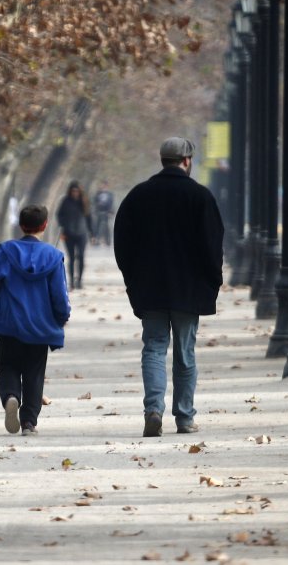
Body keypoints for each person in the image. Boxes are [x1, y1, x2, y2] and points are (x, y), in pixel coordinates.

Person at [113, 137, 224, 438]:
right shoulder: (200, 197)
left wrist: (132, 279)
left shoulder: (138, 196)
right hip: (189, 291)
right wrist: (212, 281)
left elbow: (122, 244)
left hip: (149, 288)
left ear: (163, 160)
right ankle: (185, 417)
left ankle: (153, 410)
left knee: (153, 348)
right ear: (187, 161)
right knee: (185, 353)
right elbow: (213, 246)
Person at [0, 205, 71, 436]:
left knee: (7, 365)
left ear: (21, 225)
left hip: (9, 323)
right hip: (41, 325)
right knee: (34, 372)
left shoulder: (5, 251)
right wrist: (62, 317)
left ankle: (11, 396)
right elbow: (60, 296)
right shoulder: (54, 257)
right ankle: (28, 423)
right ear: (44, 225)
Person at [56, 181, 92, 289]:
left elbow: (89, 217)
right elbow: (59, 214)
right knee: (71, 257)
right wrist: (63, 224)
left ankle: (79, 281)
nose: (75, 193)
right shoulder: (65, 201)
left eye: (77, 191)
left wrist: (92, 232)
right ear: (70, 191)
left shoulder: (84, 202)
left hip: (82, 233)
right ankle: (71, 281)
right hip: (68, 233)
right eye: (73, 191)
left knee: (81, 256)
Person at [92, 181, 115, 246]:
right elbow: (95, 202)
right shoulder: (98, 194)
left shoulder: (110, 194)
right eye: (102, 185)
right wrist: (95, 210)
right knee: (98, 226)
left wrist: (111, 212)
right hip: (99, 212)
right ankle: (97, 240)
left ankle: (107, 241)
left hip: (107, 213)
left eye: (105, 186)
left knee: (106, 226)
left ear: (107, 186)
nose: (103, 187)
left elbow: (111, 204)